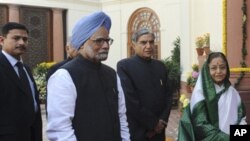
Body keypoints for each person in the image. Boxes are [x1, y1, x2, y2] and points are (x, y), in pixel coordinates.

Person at [46, 11, 130, 141]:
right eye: (99, 41)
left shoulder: (111, 74)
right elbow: (60, 129)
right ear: (82, 43)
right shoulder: (64, 76)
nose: (106, 46)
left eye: (107, 40)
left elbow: (122, 117)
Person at [117, 28, 172, 141]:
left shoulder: (160, 66)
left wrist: (162, 121)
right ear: (133, 45)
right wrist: (153, 124)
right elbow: (130, 101)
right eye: (143, 42)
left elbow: (168, 96)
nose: (148, 46)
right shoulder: (124, 66)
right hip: (139, 131)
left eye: (151, 42)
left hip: (159, 132)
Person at [178, 52, 247, 141]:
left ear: (227, 69)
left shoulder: (233, 93)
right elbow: (201, 125)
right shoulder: (200, 94)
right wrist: (226, 138)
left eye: (222, 67)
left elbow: (241, 117)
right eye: (214, 68)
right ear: (207, 70)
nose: (218, 71)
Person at [0, 22, 42, 141]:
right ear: (2, 40)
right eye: (16, 38)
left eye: (25, 39)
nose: (22, 43)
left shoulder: (25, 69)